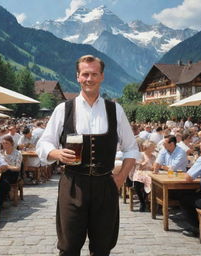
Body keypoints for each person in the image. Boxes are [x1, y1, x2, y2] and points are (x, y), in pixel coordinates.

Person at [36, 55, 139, 256]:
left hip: (104, 187)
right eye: (85, 74)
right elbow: (43, 143)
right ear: (77, 77)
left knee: (102, 248)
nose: (89, 79)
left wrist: (120, 178)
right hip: (72, 184)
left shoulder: (115, 110)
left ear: (102, 76)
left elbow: (132, 148)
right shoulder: (63, 109)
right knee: (69, 247)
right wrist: (56, 152)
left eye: (94, 74)